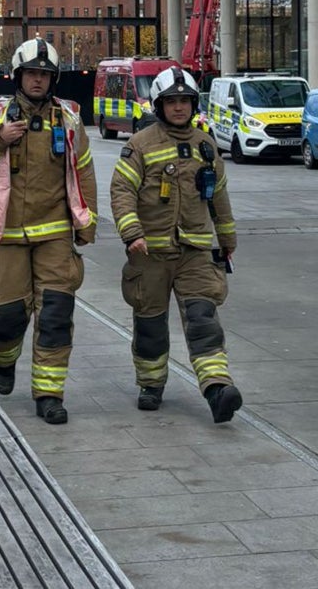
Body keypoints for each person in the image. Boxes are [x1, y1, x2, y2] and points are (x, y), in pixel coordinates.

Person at [0, 38, 97, 425]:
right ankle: (4, 361)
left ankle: (49, 395)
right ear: (18, 76)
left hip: (54, 234)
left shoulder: (68, 117)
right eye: (32, 73)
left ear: (53, 80)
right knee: (6, 317)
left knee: (55, 314)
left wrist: (88, 222)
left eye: (45, 74)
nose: (38, 80)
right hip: (6, 235)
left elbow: (83, 169)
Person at [110, 64, 243, 422]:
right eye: (173, 101)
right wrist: (132, 233)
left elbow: (220, 196)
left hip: (195, 252)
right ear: (159, 104)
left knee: (203, 318)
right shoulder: (140, 145)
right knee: (150, 324)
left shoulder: (206, 145)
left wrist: (227, 239)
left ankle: (218, 389)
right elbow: (122, 191)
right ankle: (151, 385)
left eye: (186, 100)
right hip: (150, 253)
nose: (180, 107)